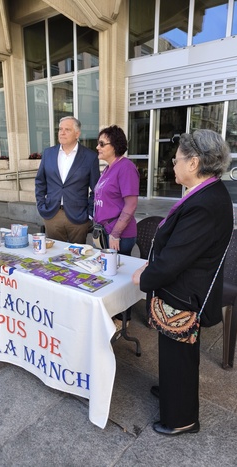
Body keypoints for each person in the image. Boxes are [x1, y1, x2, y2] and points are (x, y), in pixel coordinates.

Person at [132, 129, 233, 436]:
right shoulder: (206, 193)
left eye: (176, 160)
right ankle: (172, 392)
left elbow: (178, 257)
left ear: (194, 163)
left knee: (181, 355)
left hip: (185, 294)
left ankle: (181, 419)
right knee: (176, 352)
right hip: (185, 287)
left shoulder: (205, 203)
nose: (171, 166)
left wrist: (146, 277)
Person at [94, 125, 140, 331]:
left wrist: (115, 233)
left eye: (102, 144)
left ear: (115, 146)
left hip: (118, 233)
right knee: (109, 275)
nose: (98, 147)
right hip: (105, 231)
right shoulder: (108, 169)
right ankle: (113, 315)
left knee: (119, 278)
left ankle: (123, 320)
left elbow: (131, 204)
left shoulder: (126, 167)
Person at [35, 116, 100, 244]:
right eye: (60, 129)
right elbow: (40, 182)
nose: (62, 132)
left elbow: (97, 189)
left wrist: (89, 214)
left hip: (78, 217)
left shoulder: (90, 157)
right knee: (54, 257)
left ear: (77, 134)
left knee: (77, 258)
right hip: (52, 214)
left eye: (67, 130)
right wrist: (41, 206)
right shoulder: (48, 153)